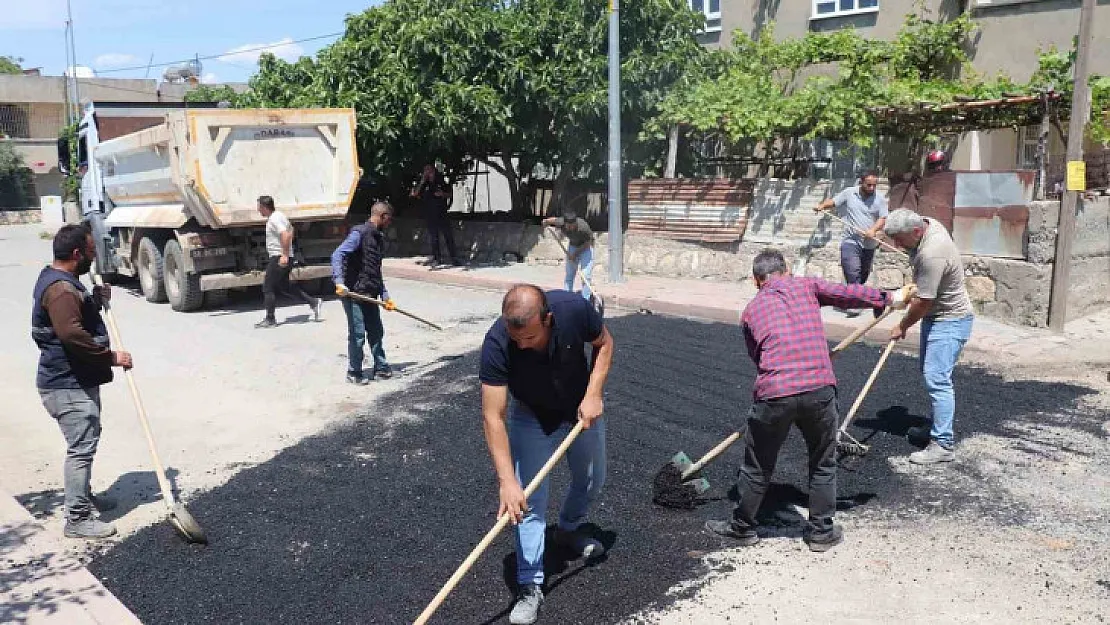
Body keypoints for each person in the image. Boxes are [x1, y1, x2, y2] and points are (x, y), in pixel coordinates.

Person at [704, 249, 911, 552]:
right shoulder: (806, 286)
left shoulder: (750, 311)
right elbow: (847, 293)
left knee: (758, 466)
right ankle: (820, 533)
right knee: (823, 462)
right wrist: (889, 298)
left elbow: (758, 358)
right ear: (785, 270)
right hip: (818, 389)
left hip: (774, 393)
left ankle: (742, 529)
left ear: (755, 281)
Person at [479, 284, 615, 625]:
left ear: (548, 319)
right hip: (532, 415)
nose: (522, 345)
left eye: (530, 338)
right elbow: (492, 416)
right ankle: (529, 584)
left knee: (591, 480)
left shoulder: (574, 310)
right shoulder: (497, 343)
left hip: (580, 407)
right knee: (526, 502)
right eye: (516, 339)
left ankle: (567, 530)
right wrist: (507, 481)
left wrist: (595, 393)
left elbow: (604, 344)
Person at [32, 224, 134, 539]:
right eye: (90, 252)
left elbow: (73, 316)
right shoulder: (61, 290)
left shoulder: (62, 281)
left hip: (73, 380)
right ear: (77, 254)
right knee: (81, 448)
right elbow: (71, 334)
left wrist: (94, 298)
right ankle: (76, 518)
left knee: (86, 439)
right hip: (65, 384)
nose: (93, 258)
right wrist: (111, 357)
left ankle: (84, 496)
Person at [884, 208, 974, 465]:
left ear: (915, 231)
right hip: (938, 316)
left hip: (950, 320)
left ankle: (943, 443)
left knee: (937, 379)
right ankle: (935, 427)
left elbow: (923, 302)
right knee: (930, 372)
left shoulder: (931, 253)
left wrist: (902, 325)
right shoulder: (929, 223)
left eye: (899, 239)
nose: (896, 245)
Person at [332, 202, 397, 385]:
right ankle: (354, 372)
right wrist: (339, 282)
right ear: (383, 216)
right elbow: (338, 254)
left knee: (376, 331)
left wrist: (384, 295)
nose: (389, 223)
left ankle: (381, 367)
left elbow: (374, 269)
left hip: (370, 292)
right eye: (389, 219)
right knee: (358, 333)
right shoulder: (359, 234)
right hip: (353, 293)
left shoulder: (377, 238)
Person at [815, 171, 890, 315]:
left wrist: (873, 230)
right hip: (851, 240)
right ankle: (854, 303)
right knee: (852, 270)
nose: (872, 188)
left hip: (868, 243)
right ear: (861, 182)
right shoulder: (850, 193)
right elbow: (834, 201)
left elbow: (883, 218)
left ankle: (850, 295)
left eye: (875, 185)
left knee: (863, 273)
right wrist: (822, 206)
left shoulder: (879, 199)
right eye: (869, 185)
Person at [255, 195, 321, 328]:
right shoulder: (279, 215)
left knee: (268, 287)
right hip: (284, 255)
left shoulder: (274, 219)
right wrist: (288, 250)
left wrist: (284, 254)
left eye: (259, 207)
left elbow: (285, 234)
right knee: (284, 286)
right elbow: (291, 230)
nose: (258, 210)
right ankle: (313, 302)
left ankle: (270, 319)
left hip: (279, 257)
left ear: (264, 207)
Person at [410, 163, 460, 266]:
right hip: (430, 214)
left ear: (433, 170)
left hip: (442, 213)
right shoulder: (424, 184)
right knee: (434, 237)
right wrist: (422, 181)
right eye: (425, 170)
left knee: (448, 235)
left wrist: (442, 194)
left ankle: (454, 258)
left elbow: (449, 193)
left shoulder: (440, 181)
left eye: (429, 170)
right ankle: (437, 258)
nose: (427, 172)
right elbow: (415, 194)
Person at [542, 211, 595, 301]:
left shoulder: (583, 227)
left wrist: (575, 254)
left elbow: (588, 243)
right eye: (568, 226)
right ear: (565, 223)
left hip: (586, 248)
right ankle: (567, 298)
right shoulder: (561, 222)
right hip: (573, 246)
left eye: (573, 225)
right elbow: (552, 220)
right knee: (569, 274)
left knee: (586, 275)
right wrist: (545, 222)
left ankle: (586, 300)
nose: (570, 227)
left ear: (575, 223)